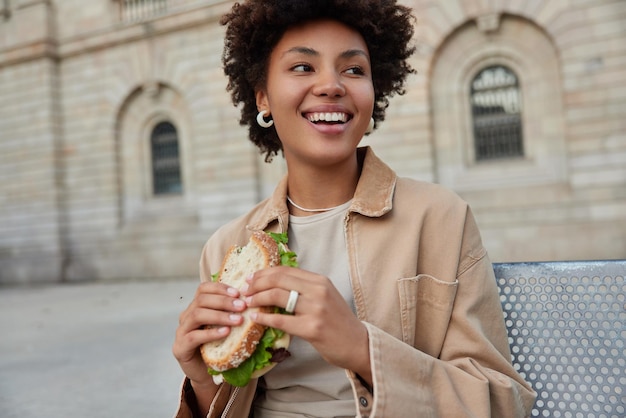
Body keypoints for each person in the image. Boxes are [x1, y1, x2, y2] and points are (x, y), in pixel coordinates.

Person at [172, 1, 537, 417]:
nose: (331, 85)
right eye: (303, 68)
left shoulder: (440, 218)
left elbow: (502, 402)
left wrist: (362, 349)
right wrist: (202, 381)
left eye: (353, 69)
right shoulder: (226, 247)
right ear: (263, 98)